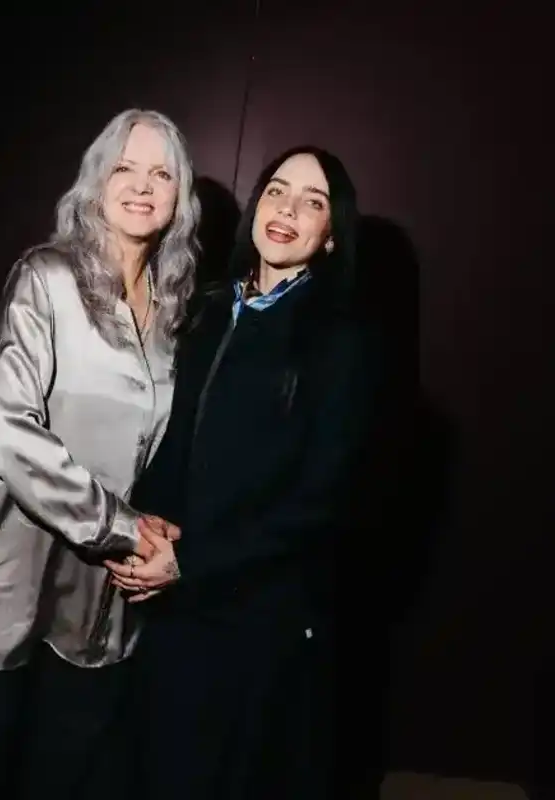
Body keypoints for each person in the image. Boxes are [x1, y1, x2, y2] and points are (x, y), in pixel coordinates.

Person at [0, 108, 200, 800]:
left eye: (161, 174)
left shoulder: (172, 313)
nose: (142, 185)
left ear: (180, 197)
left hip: (98, 595)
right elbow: (8, 430)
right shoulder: (46, 276)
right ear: (96, 181)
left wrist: (160, 536)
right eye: (124, 167)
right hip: (8, 571)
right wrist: (124, 527)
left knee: (61, 771)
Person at [106, 145, 379, 800]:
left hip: (260, 616)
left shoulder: (342, 341)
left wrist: (191, 561)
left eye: (312, 202)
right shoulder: (208, 309)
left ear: (331, 233)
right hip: (178, 603)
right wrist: (146, 534)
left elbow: (322, 503)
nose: (287, 210)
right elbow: (174, 439)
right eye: (277, 191)